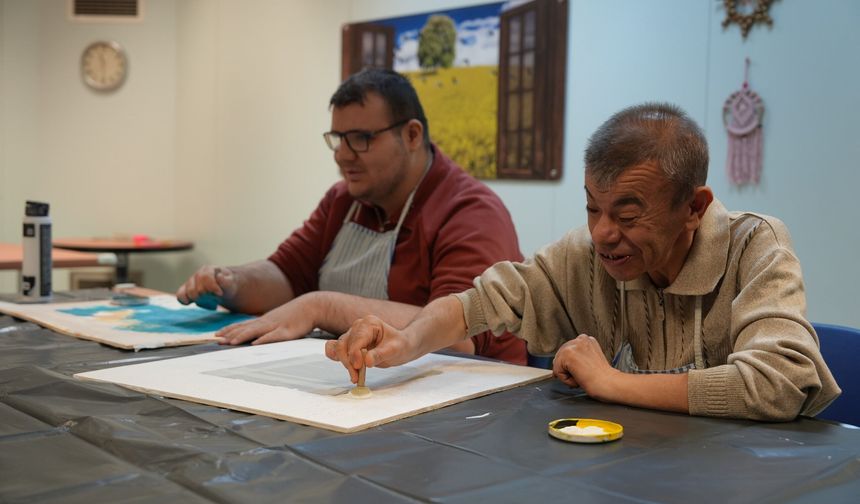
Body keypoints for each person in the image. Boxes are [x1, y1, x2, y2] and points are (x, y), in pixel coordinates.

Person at [327, 102, 841, 421]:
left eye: (627, 214)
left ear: (694, 208)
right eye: (593, 207)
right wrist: (408, 339)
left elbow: (783, 381)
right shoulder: (586, 255)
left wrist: (612, 382)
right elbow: (479, 302)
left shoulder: (756, 246)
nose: (602, 234)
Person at [177, 68, 527, 364]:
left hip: (467, 406)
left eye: (361, 138)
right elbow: (287, 274)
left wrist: (323, 306)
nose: (343, 156)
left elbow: (460, 336)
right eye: (338, 139)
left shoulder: (471, 212)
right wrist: (232, 282)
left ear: (412, 135)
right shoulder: (344, 199)